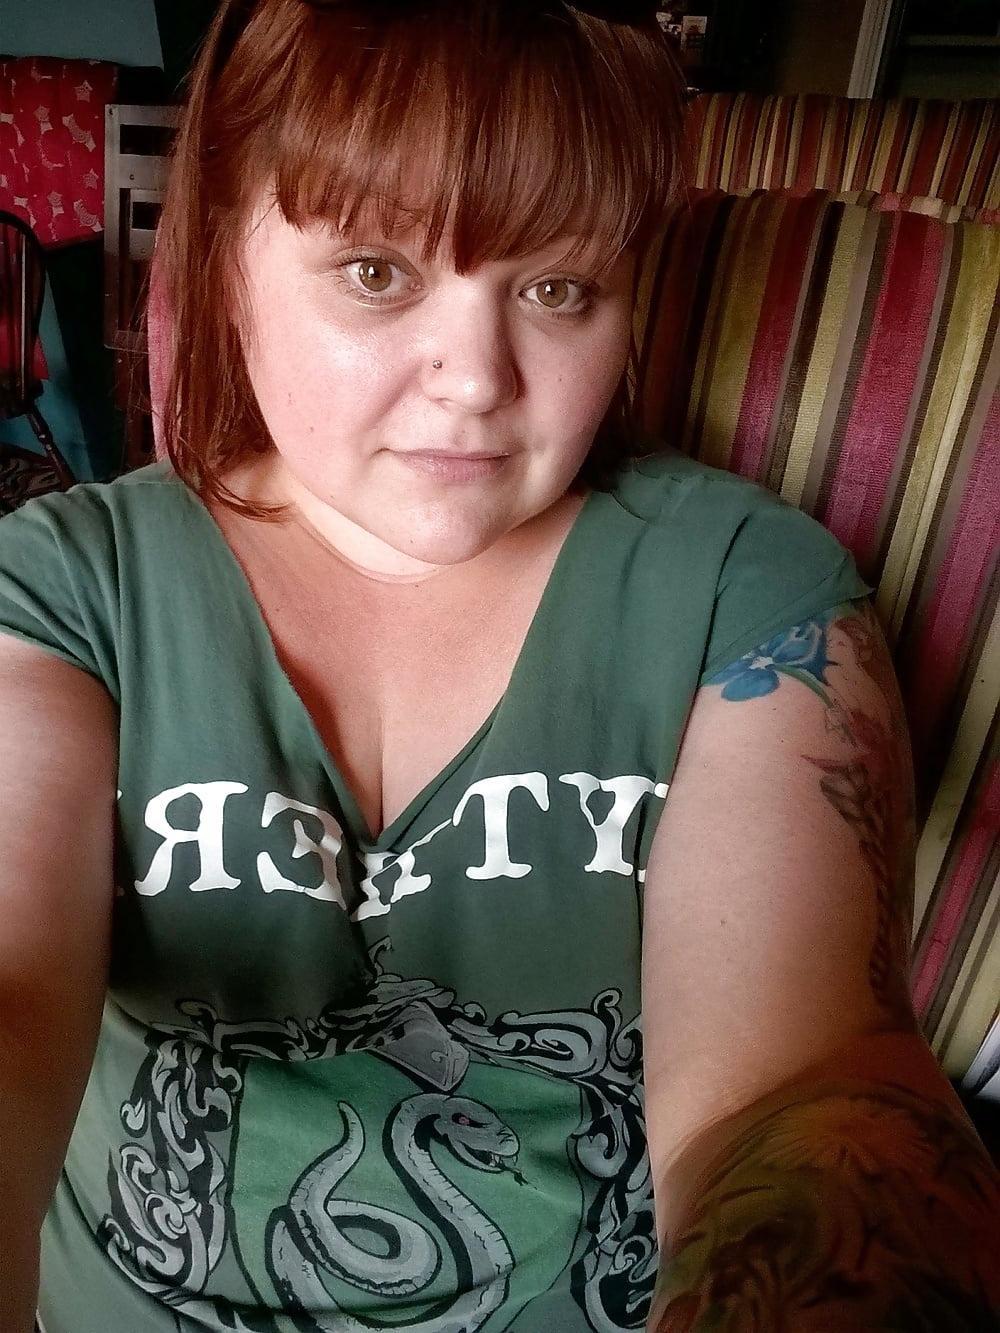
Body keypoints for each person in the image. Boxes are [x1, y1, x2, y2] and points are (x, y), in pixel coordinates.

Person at [0, 2, 997, 1330]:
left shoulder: (744, 596)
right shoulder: (63, 590)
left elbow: (799, 1088)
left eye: (557, 289)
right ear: (227, 258)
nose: (475, 378)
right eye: (376, 272)